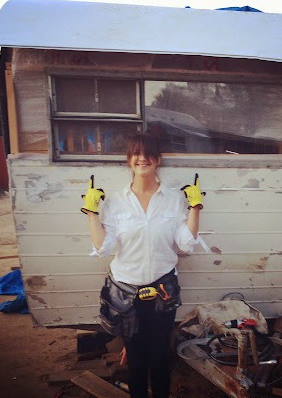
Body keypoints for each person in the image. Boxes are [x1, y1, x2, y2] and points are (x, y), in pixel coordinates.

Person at [81, 134, 206, 398]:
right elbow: (104, 248)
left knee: (160, 357)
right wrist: (91, 212)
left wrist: (195, 207)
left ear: (157, 160)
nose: (142, 158)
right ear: (129, 159)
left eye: (148, 154)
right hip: (126, 294)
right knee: (136, 361)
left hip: (163, 290)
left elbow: (186, 244)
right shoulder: (116, 201)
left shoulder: (174, 199)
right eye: (136, 153)